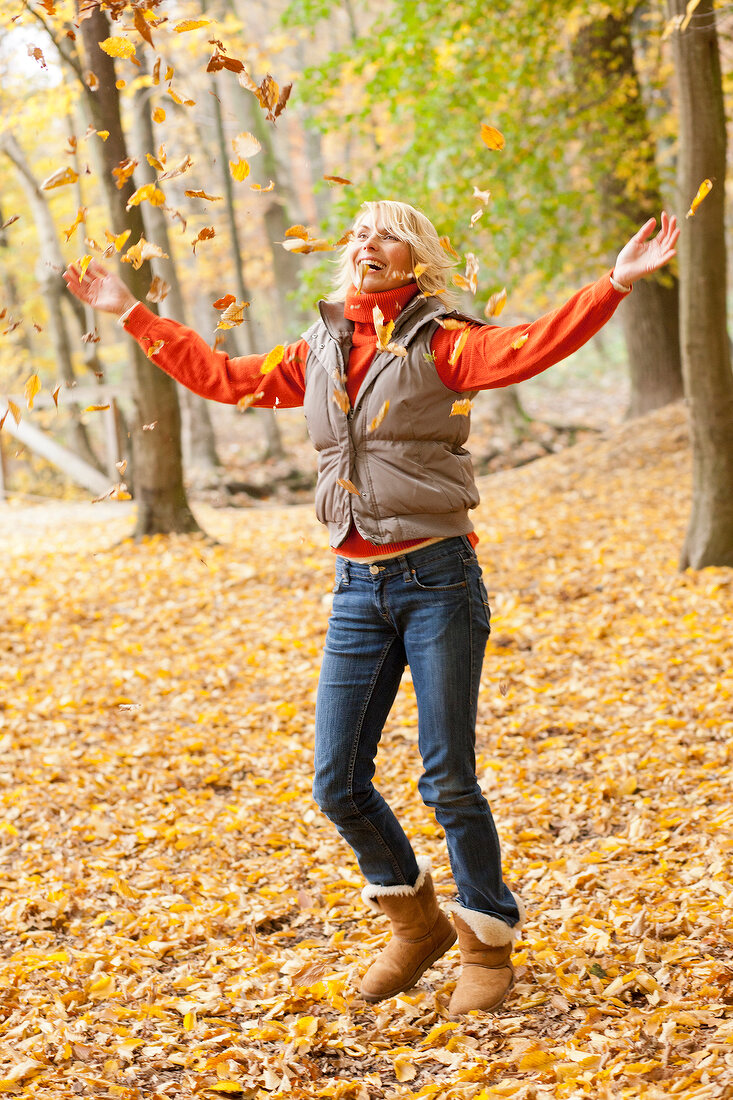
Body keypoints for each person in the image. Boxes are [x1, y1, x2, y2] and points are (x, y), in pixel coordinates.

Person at [64, 200, 679, 1014]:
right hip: (355, 589)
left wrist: (611, 284)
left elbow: (526, 347)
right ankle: (413, 919)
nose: (365, 243)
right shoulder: (317, 348)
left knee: (447, 777)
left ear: (416, 259)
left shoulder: (442, 340)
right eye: (355, 233)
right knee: (335, 781)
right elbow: (226, 377)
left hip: (437, 580)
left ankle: (486, 940)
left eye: (385, 233)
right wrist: (132, 312)